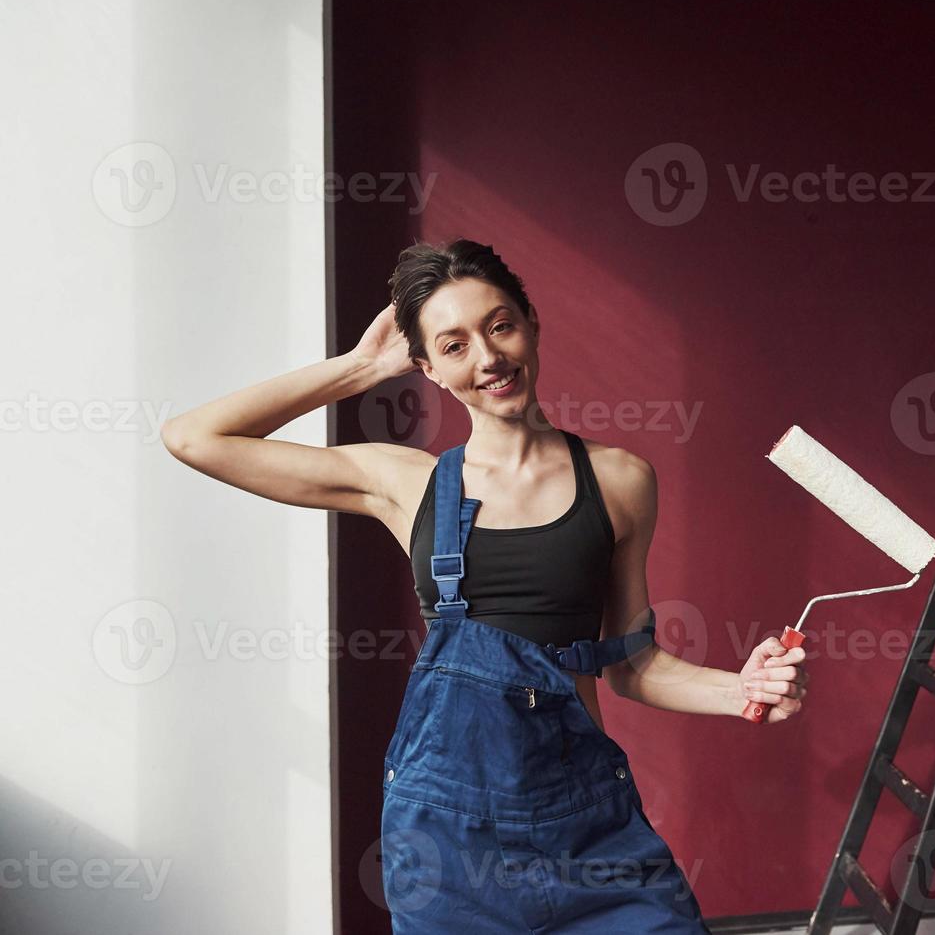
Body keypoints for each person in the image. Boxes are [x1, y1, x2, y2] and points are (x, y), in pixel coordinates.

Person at [161, 238, 809, 933]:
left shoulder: (620, 481)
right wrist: (354, 369)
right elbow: (194, 437)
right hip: (448, 851)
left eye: (500, 326)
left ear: (531, 324)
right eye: (454, 345)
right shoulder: (403, 484)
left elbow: (630, 666)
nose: (488, 358)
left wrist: (738, 689)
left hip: (586, 829)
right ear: (428, 370)